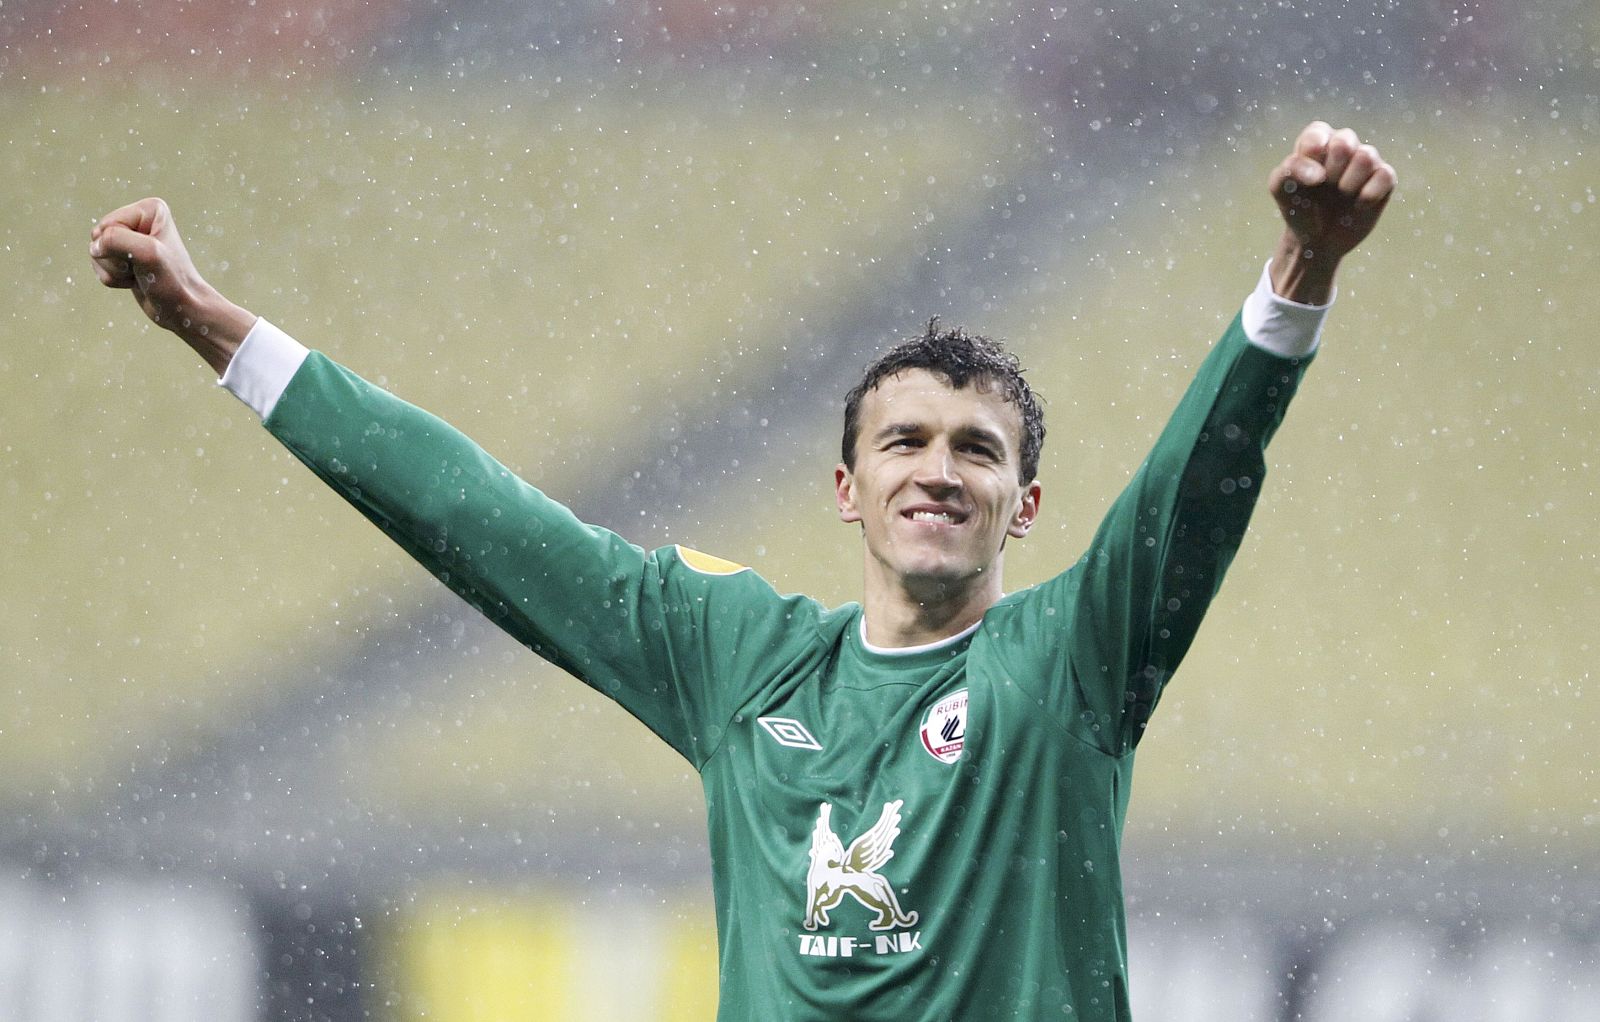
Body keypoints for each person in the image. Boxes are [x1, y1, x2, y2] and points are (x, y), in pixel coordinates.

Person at [91, 120, 1394, 1021]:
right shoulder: (741, 658)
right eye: (906, 440)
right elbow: (474, 516)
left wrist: (1303, 270)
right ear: (848, 489)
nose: (939, 468)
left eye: (977, 451)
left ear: (1026, 504)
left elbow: (1200, 483)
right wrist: (219, 328)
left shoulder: (1069, 664)